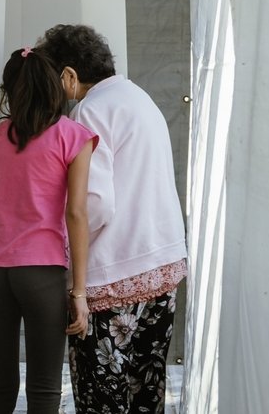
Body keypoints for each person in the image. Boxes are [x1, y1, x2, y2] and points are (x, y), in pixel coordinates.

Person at [36, 24, 188, 414]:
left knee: (101, 395)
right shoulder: (138, 97)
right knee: (146, 390)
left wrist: (66, 258)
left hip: (114, 272)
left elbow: (94, 204)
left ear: (69, 76)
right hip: (163, 262)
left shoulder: (89, 111)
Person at [0, 46, 98, 414]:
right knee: (44, 389)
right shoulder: (74, 137)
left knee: (0, 385)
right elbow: (75, 214)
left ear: (8, 91)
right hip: (42, 272)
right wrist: (79, 292)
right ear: (56, 85)